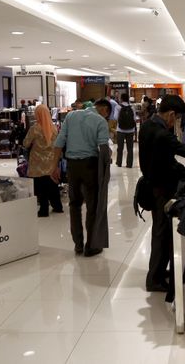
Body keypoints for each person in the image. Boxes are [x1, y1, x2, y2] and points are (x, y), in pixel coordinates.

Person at [139, 95, 185, 292]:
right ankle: (154, 279)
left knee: (162, 231)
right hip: (161, 189)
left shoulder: (147, 126)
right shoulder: (162, 134)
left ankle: (159, 272)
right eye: (176, 118)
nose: (176, 122)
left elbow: (164, 158)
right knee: (161, 232)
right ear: (171, 114)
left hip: (152, 184)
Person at [51, 99, 110, 257]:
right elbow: (103, 148)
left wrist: (54, 166)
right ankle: (90, 246)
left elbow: (59, 141)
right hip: (90, 166)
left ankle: (78, 244)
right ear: (104, 110)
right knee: (92, 206)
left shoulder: (71, 117)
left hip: (72, 167)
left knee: (74, 204)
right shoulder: (100, 121)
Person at [24, 104, 62, 217]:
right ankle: (57, 206)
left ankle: (43, 209)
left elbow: (26, 143)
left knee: (40, 186)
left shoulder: (34, 129)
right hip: (51, 161)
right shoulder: (54, 128)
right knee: (52, 184)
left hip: (37, 163)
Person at [116, 93, 136, 168]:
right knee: (130, 148)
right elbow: (134, 118)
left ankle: (119, 163)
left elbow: (115, 117)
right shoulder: (132, 107)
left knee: (120, 147)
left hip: (120, 130)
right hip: (130, 130)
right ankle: (129, 164)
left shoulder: (118, 107)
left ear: (121, 98)